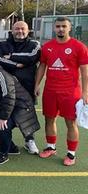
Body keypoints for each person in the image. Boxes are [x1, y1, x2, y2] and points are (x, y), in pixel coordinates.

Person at [35, 17, 88, 166]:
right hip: (50, 90)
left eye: (64, 26)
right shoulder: (47, 47)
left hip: (70, 92)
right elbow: (42, 66)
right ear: (54, 28)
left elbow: (85, 72)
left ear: (69, 28)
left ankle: (71, 154)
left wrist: (86, 92)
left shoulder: (79, 47)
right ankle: (51, 147)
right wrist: (37, 85)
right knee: (49, 119)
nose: (61, 29)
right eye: (58, 26)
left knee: (70, 122)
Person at [0, 56, 40, 164]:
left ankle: (3, 154)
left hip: (21, 106)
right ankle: (11, 148)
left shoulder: (1, 75)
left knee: (3, 126)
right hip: (7, 107)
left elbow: (9, 97)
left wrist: (3, 118)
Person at [0, 21, 41, 154]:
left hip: (27, 86)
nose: (20, 31)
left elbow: (32, 57)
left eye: (23, 29)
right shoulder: (2, 44)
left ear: (28, 30)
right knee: (3, 111)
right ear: (12, 30)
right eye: (17, 29)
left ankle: (29, 140)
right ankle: (7, 141)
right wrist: (16, 65)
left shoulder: (34, 44)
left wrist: (11, 56)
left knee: (27, 113)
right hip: (6, 87)